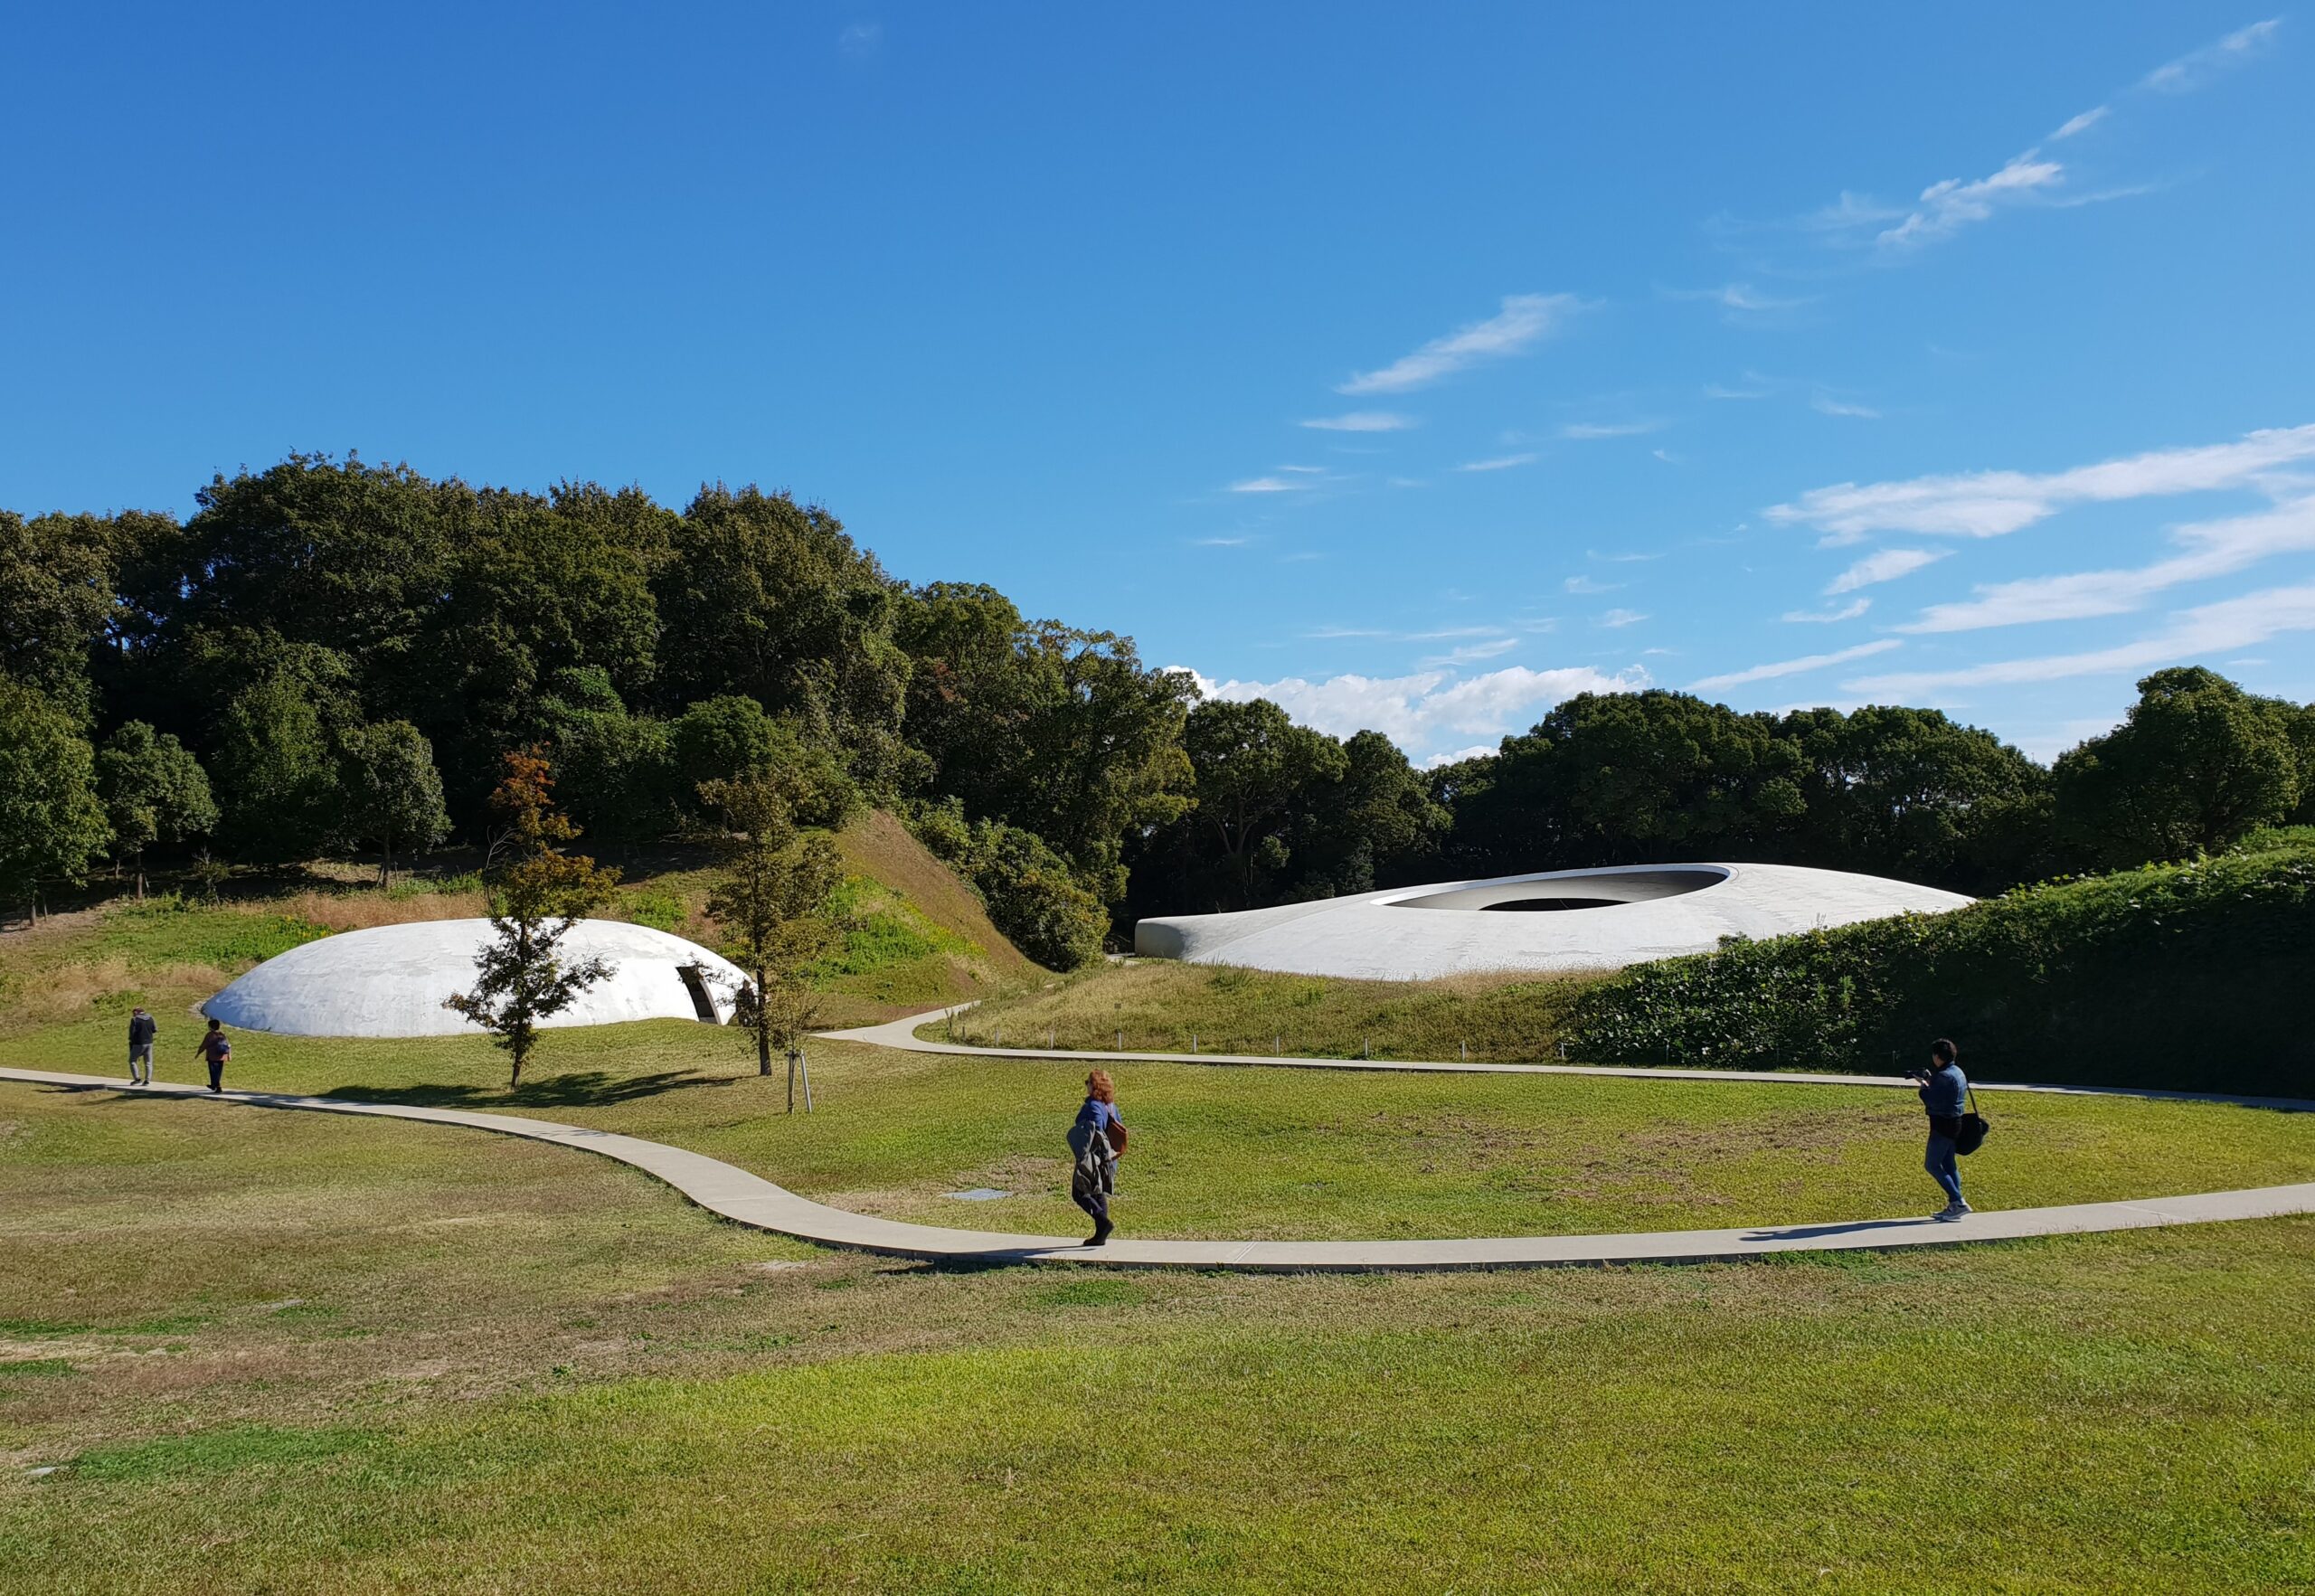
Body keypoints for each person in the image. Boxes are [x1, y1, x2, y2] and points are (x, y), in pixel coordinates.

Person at [1908, 1038, 1971, 1221]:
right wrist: (1930, 1079)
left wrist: (1923, 1085)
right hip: (1955, 1123)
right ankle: (1955, 1205)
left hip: (1941, 1125)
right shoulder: (1957, 1072)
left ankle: (1958, 1202)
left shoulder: (1944, 1076)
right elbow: (1945, 1092)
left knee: (1932, 1165)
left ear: (1937, 1056)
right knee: (1949, 1164)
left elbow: (1931, 1098)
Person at [1067, 1069, 1127, 1246]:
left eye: (1088, 1082)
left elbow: (1096, 1129)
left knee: (1079, 1193)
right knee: (1098, 1193)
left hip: (1094, 1159)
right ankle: (1101, 1233)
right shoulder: (1112, 1106)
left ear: (1095, 1087)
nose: (1086, 1085)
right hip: (1109, 1158)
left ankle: (1103, 1223)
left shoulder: (1094, 1106)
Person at [194, 1017, 232, 1093]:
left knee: (213, 1072)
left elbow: (204, 1045)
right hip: (221, 1056)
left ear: (211, 1027)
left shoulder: (210, 1035)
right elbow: (228, 1045)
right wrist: (228, 1055)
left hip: (213, 1056)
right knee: (218, 1072)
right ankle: (215, 1086)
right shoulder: (222, 1034)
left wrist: (198, 1053)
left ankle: (216, 1086)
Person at [127, 1006, 156, 1086]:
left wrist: (131, 1041)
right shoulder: (150, 1018)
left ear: (136, 1012)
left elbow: (132, 1033)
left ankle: (137, 1079)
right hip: (149, 1042)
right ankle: (147, 1080)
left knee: (132, 1061)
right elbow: (154, 1029)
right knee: (148, 1062)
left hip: (138, 1043)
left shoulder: (135, 1020)